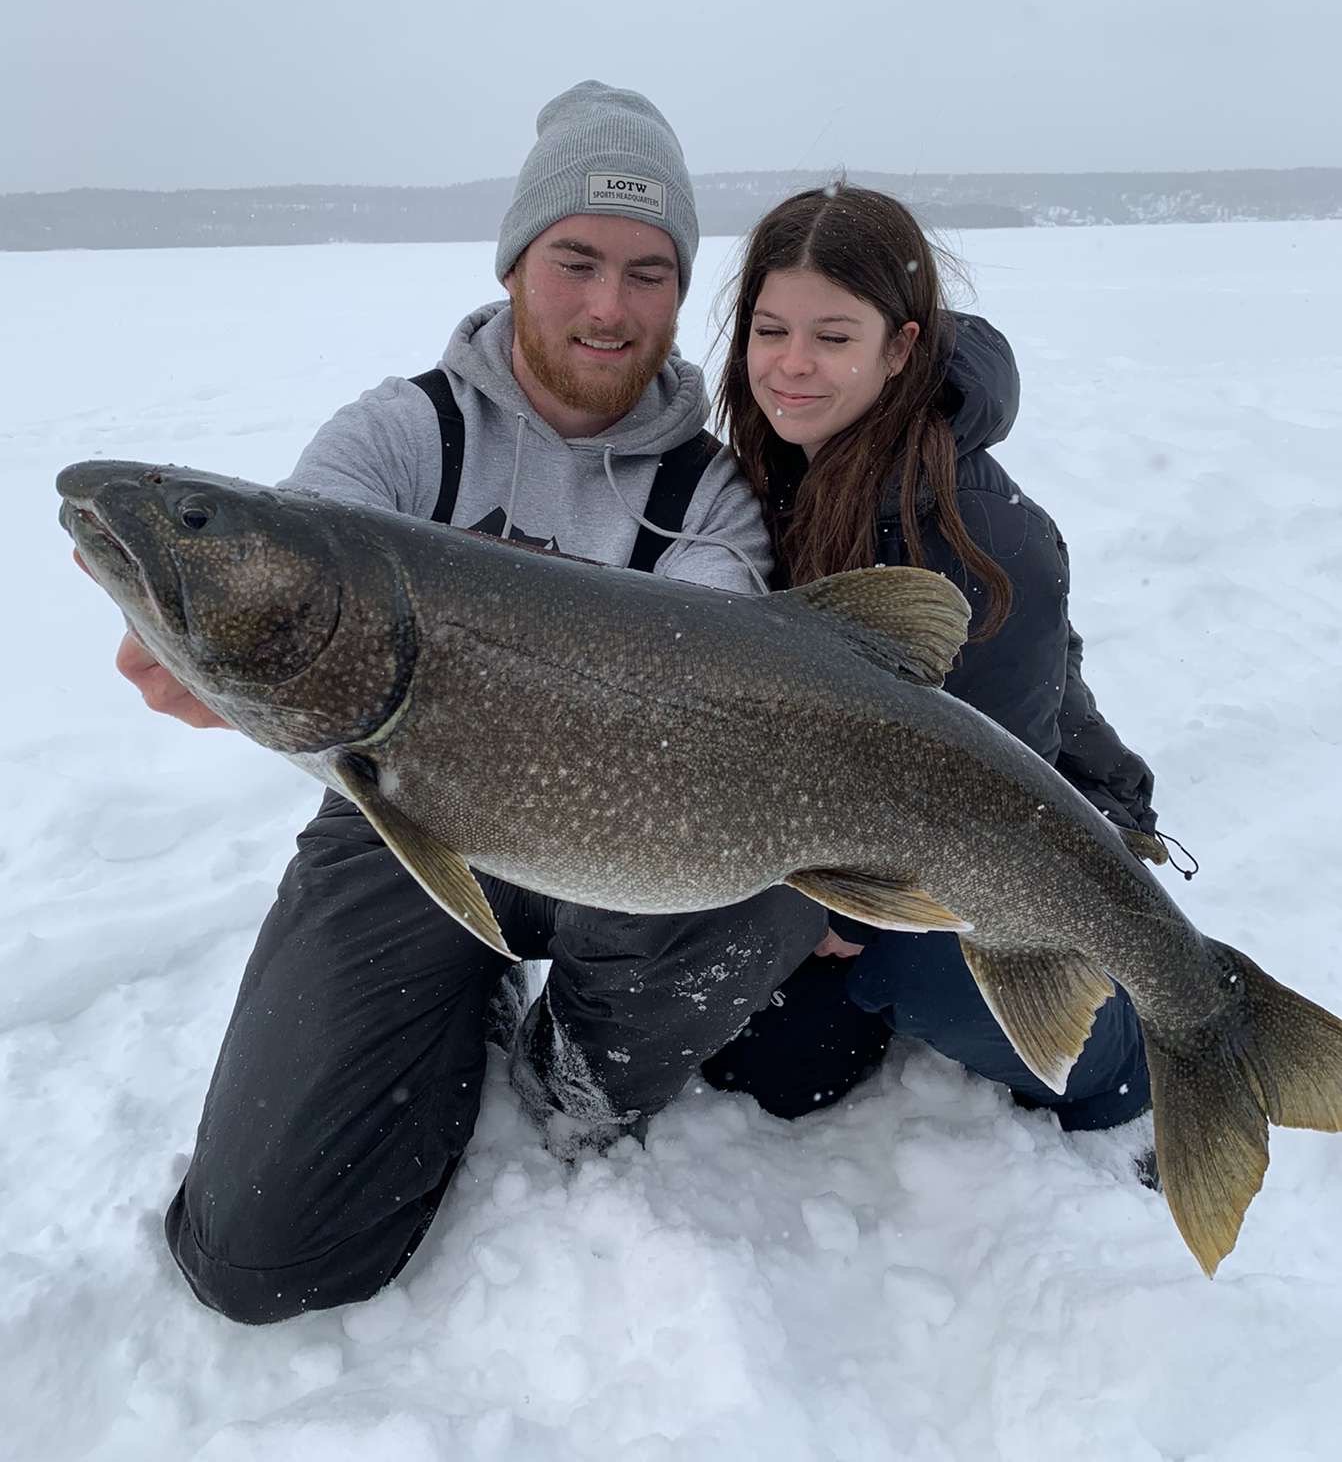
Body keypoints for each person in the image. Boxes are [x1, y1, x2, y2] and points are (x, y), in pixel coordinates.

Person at [110, 80, 835, 1324]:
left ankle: (575, 1076)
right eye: (577, 260)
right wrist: (211, 661)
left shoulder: (710, 496)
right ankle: (458, 985)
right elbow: (289, 592)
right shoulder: (400, 439)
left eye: (649, 272)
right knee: (258, 1259)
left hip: (631, 834)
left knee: (773, 867)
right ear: (514, 262)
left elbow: (719, 684)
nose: (609, 306)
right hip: (405, 821)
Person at [702, 182, 1163, 1147]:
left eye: (832, 336)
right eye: (769, 330)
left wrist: (854, 917)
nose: (790, 366)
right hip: (861, 808)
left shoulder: (978, 530)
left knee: (916, 966)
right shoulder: (774, 464)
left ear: (899, 347)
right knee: (770, 1072)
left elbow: (997, 794)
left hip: (1035, 838)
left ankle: (1129, 1049)